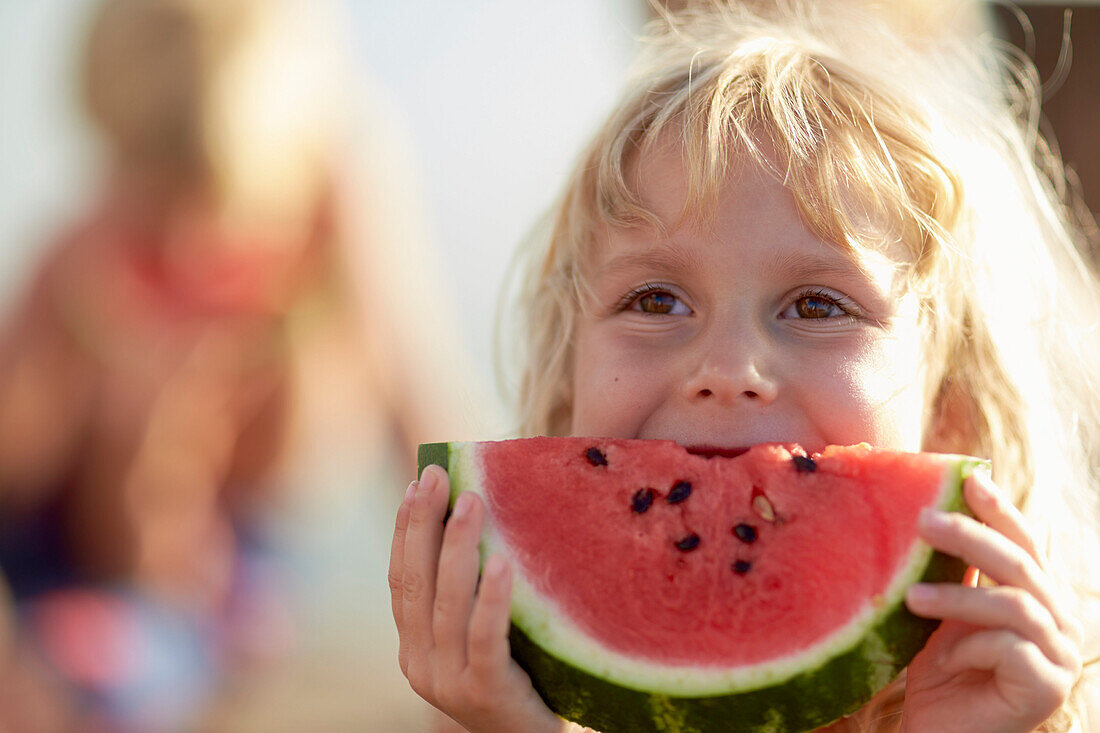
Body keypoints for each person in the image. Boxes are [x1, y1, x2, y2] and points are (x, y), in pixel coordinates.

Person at [389, 1, 1100, 731]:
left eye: (818, 307)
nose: (728, 369)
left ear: (951, 408)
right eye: (656, 298)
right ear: (569, 378)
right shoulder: (521, 709)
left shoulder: (995, 707)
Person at [0, 0, 475, 729]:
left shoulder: (337, 186)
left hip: (227, 559)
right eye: (157, 205)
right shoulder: (79, 264)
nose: (189, 245)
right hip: (59, 554)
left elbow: (417, 410)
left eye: (215, 208)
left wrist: (471, 630)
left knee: (154, 657)